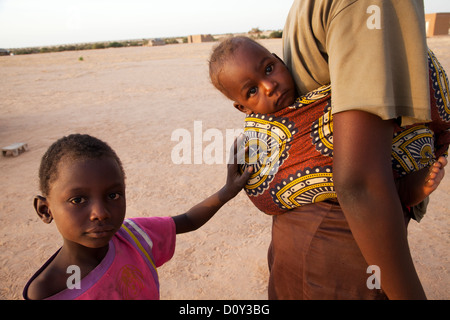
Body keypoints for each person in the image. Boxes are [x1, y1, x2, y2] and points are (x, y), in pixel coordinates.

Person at [208, 34, 449, 299]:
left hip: (365, 196)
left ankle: (411, 187)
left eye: (268, 68)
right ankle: (407, 188)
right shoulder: (259, 136)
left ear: (279, 60)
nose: (269, 86)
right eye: (252, 90)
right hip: (325, 227)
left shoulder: (320, 88)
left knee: (377, 169)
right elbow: (258, 180)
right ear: (242, 107)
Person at [23, 133, 252, 300]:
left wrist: (227, 191)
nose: (100, 213)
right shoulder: (46, 291)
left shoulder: (134, 237)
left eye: (113, 195)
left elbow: (189, 220)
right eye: (78, 200)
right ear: (45, 210)